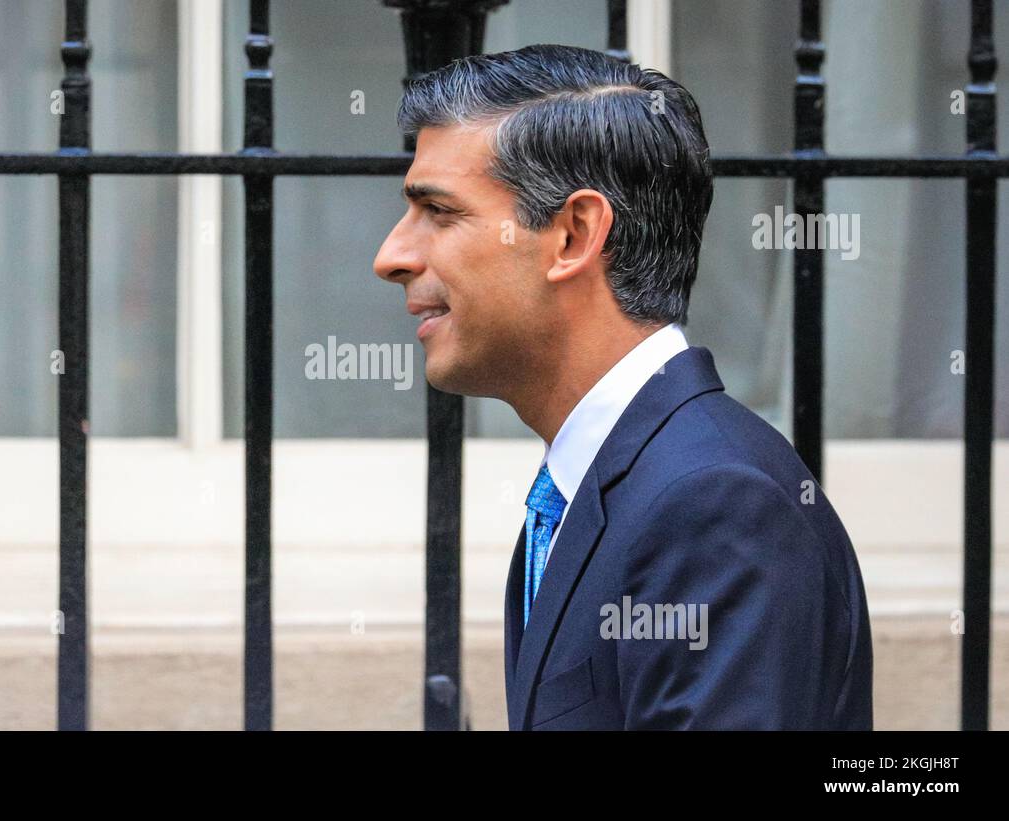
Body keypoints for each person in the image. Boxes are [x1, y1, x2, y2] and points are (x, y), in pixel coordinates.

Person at [373, 44, 872, 730]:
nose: (392, 256)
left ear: (574, 234)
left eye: (439, 210)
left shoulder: (714, 506)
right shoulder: (603, 487)